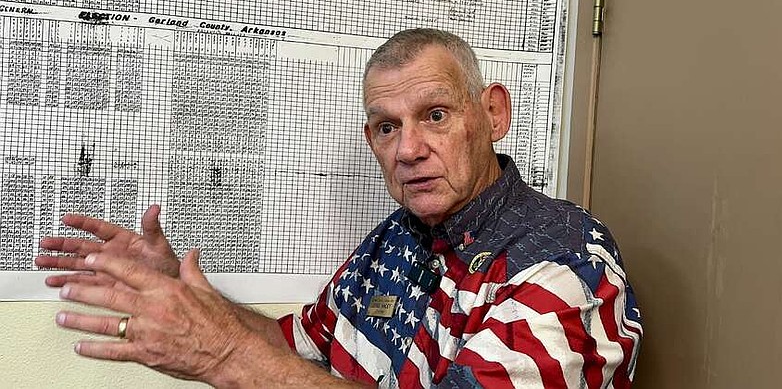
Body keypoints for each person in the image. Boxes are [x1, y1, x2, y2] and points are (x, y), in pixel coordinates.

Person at [36, 28, 642, 388]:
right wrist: (187, 295)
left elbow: (248, 355)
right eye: (385, 127)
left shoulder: (562, 267)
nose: (408, 150)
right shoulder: (395, 238)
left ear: (493, 114)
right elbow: (301, 342)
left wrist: (220, 352)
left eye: (435, 115)